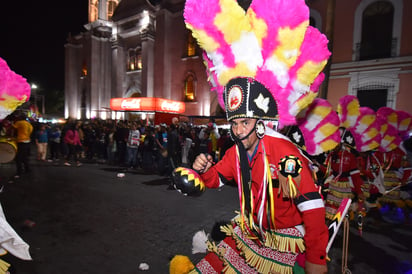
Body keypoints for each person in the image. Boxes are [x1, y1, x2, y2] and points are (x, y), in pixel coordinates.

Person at [172, 0, 332, 272]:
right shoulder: (237, 151)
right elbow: (216, 178)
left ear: (261, 123)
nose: (236, 130)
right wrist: (199, 170)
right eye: (234, 123)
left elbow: (312, 207)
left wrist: (317, 261)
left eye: (243, 122)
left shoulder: (284, 152)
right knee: (210, 267)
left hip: (283, 241)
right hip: (251, 231)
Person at [12, 114, 33, 178]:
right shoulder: (29, 124)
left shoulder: (19, 122)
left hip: (21, 141)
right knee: (25, 156)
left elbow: (13, 127)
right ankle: (27, 169)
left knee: (18, 158)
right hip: (27, 141)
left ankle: (19, 172)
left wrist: (12, 123)